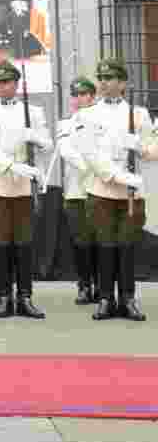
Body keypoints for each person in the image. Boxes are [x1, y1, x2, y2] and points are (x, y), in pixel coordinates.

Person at [0, 60, 52, 319]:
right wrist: (14, 167)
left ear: (16, 84)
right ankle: (5, 296)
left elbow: (48, 145)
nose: (2, 87)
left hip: (23, 189)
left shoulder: (35, 112)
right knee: (0, 244)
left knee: (24, 244)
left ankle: (25, 297)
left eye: (7, 82)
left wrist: (36, 138)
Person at [82, 59, 155, 322]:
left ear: (122, 83)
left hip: (132, 195)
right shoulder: (89, 114)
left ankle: (127, 298)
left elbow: (153, 150)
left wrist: (141, 147)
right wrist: (116, 175)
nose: (103, 82)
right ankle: (105, 298)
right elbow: (89, 153)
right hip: (102, 191)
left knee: (126, 246)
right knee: (105, 246)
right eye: (101, 77)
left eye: (110, 78)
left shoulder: (139, 114)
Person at [57, 76, 98, 307]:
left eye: (82, 94)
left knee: (101, 242)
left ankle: (102, 287)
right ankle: (84, 285)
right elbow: (65, 150)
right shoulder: (66, 123)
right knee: (80, 241)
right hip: (75, 190)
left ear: (92, 96)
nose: (77, 99)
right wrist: (87, 166)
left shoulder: (101, 120)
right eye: (74, 95)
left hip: (100, 188)